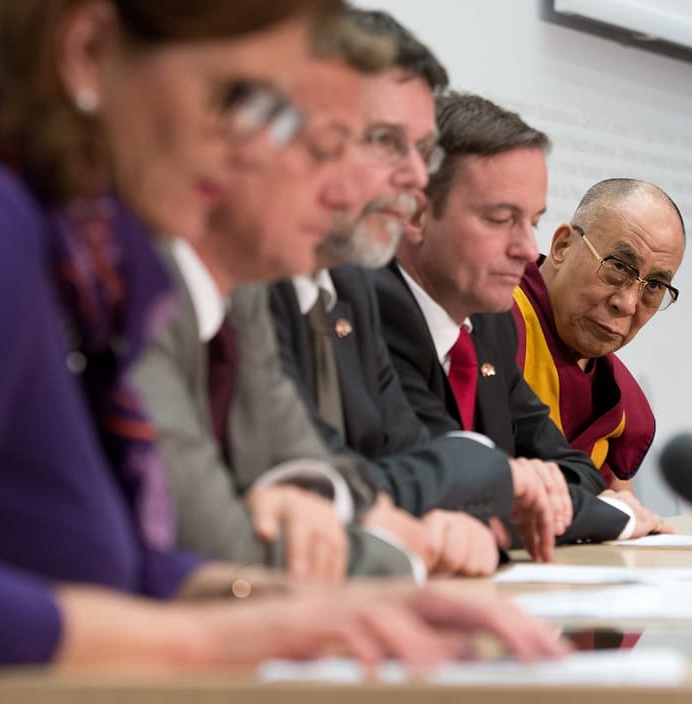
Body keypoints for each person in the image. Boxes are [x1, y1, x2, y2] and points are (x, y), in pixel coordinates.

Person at [0, 2, 564, 702]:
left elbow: (76, 570)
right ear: (88, 53)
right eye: (242, 100)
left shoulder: (62, 240)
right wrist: (222, 639)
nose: (260, 151)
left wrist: (292, 607)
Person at [134, 33, 440, 581]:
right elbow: (219, 547)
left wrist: (313, 503)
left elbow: (294, 452)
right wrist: (400, 555)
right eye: (324, 151)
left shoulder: (243, 292)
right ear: (225, 136)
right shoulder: (140, 273)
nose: (345, 193)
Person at [373, 92, 669, 560]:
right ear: (415, 213)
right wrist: (614, 514)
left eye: (530, 221)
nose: (525, 248)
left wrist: (523, 486)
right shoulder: (369, 311)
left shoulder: (489, 329)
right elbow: (440, 484)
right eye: (500, 219)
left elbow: (576, 471)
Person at [268, 9, 507, 577]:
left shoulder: (350, 286)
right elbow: (306, 477)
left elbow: (407, 454)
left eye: (421, 151)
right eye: (385, 142)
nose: (417, 179)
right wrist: (408, 520)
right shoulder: (250, 287)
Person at [512, 178, 684, 493]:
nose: (628, 303)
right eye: (618, 266)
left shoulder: (617, 399)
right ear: (562, 246)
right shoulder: (491, 317)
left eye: (655, 286)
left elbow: (620, 512)